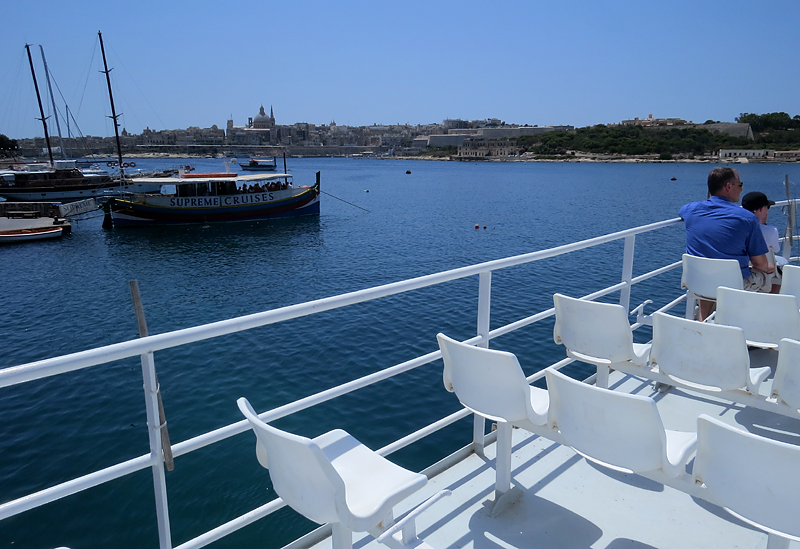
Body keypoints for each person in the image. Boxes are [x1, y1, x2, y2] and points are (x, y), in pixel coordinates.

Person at [679, 167, 774, 320]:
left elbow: (682, 211)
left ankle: (704, 319)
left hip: (698, 280)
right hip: (734, 285)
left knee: (708, 270)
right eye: (740, 184)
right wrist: (769, 268)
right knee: (769, 274)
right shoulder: (747, 218)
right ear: (728, 187)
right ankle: (758, 319)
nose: (742, 189)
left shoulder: (690, 210)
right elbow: (759, 264)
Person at [742, 190, 786, 293]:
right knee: (782, 264)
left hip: (745, 265)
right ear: (762, 209)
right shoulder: (771, 230)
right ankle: (773, 295)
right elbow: (776, 249)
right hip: (763, 267)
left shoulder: (738, 228)